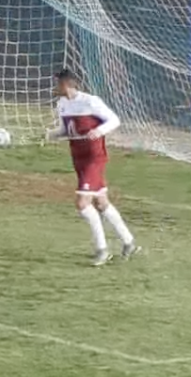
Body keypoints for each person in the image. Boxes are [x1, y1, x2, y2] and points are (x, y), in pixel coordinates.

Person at [46, 69, 141, 266]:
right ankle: (129, 242)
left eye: (58, 83)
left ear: (66, 84)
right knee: (101, 202)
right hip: (78, 157)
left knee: (82, 203)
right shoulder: (62, 104)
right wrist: (52, 134)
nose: (55, 87)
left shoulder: (90, 101)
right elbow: (67, 130)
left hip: (94, 157)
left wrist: (98, 131)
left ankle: (102, 249)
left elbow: (114, 120)